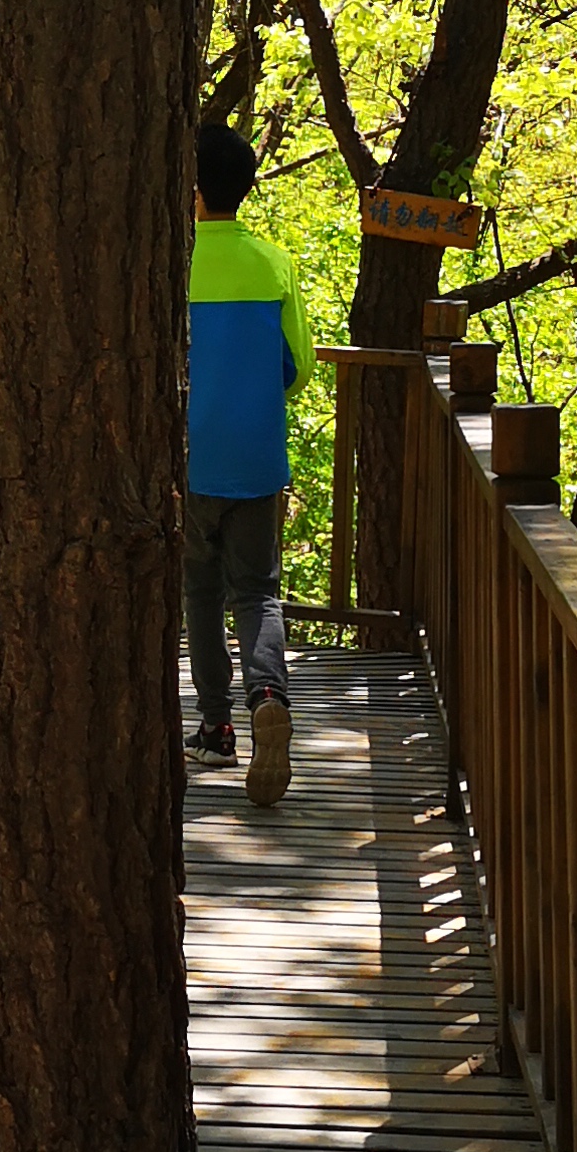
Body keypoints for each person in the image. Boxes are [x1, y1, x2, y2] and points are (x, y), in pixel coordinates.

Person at [185, 118, 314, 806]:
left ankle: (215, 726)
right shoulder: (273, 264)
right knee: (257, 589)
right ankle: (270, 692)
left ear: (193, 190)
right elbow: (300, 369)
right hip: (258, 455)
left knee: (201, 593)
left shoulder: (170, 266)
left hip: (189, 459)